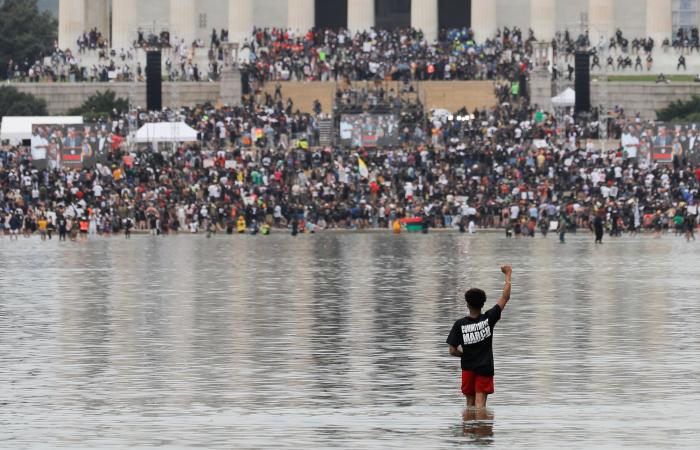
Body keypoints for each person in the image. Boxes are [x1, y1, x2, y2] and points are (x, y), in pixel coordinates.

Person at [447, 265, 512, 410]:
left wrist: (465, 355)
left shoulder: (459, 324)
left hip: (467, 367)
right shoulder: (489, 319)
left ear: (467, 303)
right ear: (483, 304)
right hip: (485, 367)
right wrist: (508, 274)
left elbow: (452, 350)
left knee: (469, 405)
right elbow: (505, 298)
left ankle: (468, 430)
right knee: (480, 404)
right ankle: (482, 429)